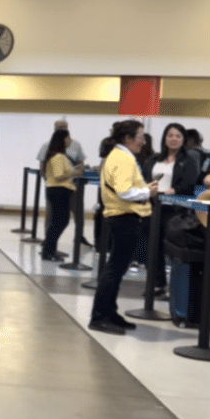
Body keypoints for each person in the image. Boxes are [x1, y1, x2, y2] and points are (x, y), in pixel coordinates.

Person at [90, 120, 159, 335]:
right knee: (114, 269)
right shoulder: (122, 158)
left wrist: (144, 189)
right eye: (140, 136)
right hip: (124, 217)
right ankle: (100, 316)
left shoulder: (121, 156)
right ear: (128, 138)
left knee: (117, 269)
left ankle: (110, 312)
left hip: (123, 217)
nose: (143, 141)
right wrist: (147, 193)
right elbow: (124, 191)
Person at [140, 123, 199, 297]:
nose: (173, 139)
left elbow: (189, 184)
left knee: (172, 247)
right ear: (164, 138)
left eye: (178, 136)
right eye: (170, 135)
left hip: (174, 210)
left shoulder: (189, 160)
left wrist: (173, 191)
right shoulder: (153, 159)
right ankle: (157, 283)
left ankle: (176, 287)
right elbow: (144, 178)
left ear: (184, 140)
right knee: (152, 246)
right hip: (152, 207)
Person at [40, 129, 84, 262]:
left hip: (59, 191)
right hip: (59, 191)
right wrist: (75, 173)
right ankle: (47, 251)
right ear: (63, 140)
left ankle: (50, 249)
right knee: (59, 222)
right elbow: (59, 176)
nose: (70, 141)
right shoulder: (58, 157)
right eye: (68, 138)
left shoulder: (59, 155)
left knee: (58, 222)